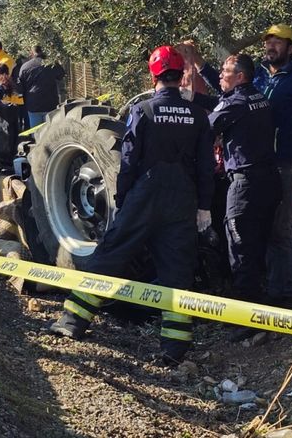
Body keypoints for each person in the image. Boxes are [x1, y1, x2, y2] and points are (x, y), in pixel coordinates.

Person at [49, 46, 215, 363]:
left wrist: (125, 198)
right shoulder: (197, 115)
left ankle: (72, 322)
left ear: (154, 76)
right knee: (177, 271)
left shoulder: (144, 110)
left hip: (146, 191)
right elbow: (206, 165)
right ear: (181, 77)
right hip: (184, 196)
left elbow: (128, 161)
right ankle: (174, 350)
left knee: (111, 253)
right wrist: (203, 205)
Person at [187, 24, 292, 310]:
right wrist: (200, 65)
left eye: (278, 42)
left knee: (281, 230)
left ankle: (291, 294)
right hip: (260, 166)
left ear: (291, 48)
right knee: (262, 230)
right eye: (268, 41)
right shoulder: (259, 79)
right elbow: (230, 96)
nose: (271, 46)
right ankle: (271, 291)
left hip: (282, 161)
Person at [206, 54, 281, 341]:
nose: (221, 76)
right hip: (268, 180)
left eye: (225, 72)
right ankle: (261, 308)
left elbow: (207, 127)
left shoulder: (234, 102)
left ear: (240, 77)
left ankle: (245, 318)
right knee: (258, 245)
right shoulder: (259, 97)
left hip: (246, 184)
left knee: (240, 248)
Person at [17, 45, 65, 127]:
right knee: (50, 133)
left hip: (33, 105)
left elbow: (21, 87)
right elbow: (61, 75)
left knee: (36, 133)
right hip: (50, 104)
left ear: (31, 53)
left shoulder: (25, 67)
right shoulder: (52, 64)